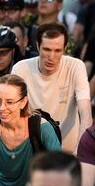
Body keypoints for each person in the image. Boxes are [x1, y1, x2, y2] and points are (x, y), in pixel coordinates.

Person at [12, 22, 91, 153]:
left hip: (69, 153)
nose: (51, 57)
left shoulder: (76, 67)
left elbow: (86, 113)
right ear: (38, 46)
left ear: (65, 49)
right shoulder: (21, 69)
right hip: (31, 152)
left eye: (57, 50)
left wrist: (81, 153)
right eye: (47, 49)